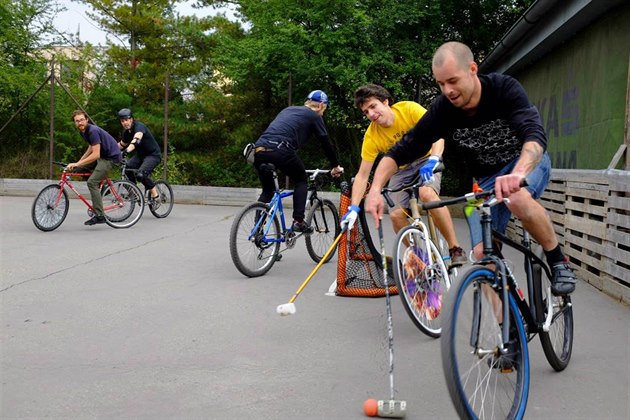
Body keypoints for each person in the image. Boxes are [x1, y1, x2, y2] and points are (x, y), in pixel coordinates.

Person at [364, 41, 576, 296]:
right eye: (441, 84)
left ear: (473, 69)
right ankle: (507, 331)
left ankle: (557, 260)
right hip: (485, 182)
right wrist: (376, 189)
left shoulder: (502, 88)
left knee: (516, 196)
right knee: (482, 256)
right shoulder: (443, 109)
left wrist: (518, 173)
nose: (448, 90)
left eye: (453, 81)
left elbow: (534, 135)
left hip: (524, 164)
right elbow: (400, 151)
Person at [340, 84, 466, 266]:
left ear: (385, 102)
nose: (371, 114)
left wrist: (435, 158)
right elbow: (362, 175)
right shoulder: (371, 136)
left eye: (373, 106)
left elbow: (438, 134)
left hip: (426, 159)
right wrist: (353, 208)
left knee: (427, 194)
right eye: (366, 112)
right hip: (401, 169)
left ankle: (455, 248)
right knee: (396, 214)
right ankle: (418, 258)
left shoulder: (409, 109)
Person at [253, 90, 344, 233]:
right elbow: (326, 144)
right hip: (281, 150)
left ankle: (257, 230)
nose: (323, 113)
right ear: (321, 105)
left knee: (268, 190)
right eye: (324, 110)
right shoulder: (314, 116)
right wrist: (335, 166)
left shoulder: (289, 110)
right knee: (301, 179)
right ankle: (298, 221)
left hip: (257, 150)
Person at [67, 110, 122, 225]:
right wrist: (79, 163)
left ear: (86, 120)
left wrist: (77, 163)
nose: (80, 123)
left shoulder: (92, 131)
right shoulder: (83, 131)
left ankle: (100, 215)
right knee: (78, 170)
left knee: (91, 182)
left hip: (110, 158)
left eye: (82, 120)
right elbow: (91, 147)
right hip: (102, 156)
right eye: (77, 121)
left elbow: (96, 154)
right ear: (75, 123)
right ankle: (103, 185)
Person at [117, 108, 162, 202]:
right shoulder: (126, 133)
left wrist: (127, 151)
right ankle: (135, 192)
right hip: (141, 155)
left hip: (153, 155)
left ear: (131, 119)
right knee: (126, 168)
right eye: (122, 121)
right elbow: (121, 145)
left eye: (126, 120)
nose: (125, 123)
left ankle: (156, 196)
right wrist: (108, 150)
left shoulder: (139, 126)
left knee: (140, 175)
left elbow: (137, 140)